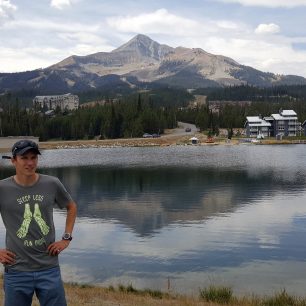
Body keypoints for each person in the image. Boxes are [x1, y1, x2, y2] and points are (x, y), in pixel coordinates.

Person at [0, 139, 77, 306]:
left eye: (33, 157)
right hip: (16, 270)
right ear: (13, 160)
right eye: (24, 158)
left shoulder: (51, 183)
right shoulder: (2, 188)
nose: (30, 163)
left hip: (48, 267)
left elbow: (71, 207)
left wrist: (66, 238)